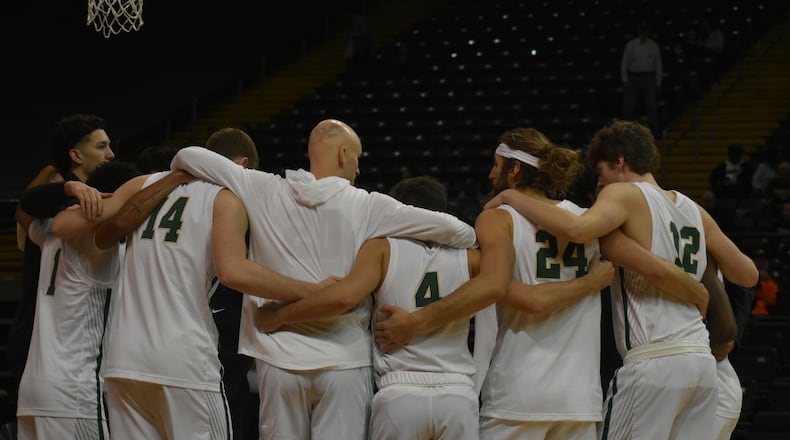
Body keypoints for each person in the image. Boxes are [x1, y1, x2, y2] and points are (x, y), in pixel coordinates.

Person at [374, 128, 711, 439]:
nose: (490, 174)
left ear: (514, 170)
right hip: (579, 401)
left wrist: (417, 322)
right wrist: (697, 290)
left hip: (518, 397)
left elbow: (515, 294)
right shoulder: (589, 220)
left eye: (496, 165)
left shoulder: (497, 218)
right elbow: (655, 265)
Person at [170, 119, 477, 440]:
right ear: (343, 154)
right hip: (344, 361)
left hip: (278, 358)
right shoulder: (369, 205)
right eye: (358, 157)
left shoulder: (262, 187)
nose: (358, 168)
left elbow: (188, 155)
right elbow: (459, 231)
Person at [253, 175, 614, 440]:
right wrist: (587, 283)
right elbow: (523, 295)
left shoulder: (382, 248)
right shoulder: (473, 258)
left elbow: (342, 298)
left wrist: (280, 315)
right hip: (456, 396)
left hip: (400, 392)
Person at [483, 120, 759, 439]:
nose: (600, 185)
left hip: (654, 359)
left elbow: (577, 229)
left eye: (601, 173)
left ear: (619, 162)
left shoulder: (624, 194)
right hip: (701, 362)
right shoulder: (693, 208)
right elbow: (747, 274)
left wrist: (511, 197)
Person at [50, 127, 306, 439]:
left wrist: (72, 189)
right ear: (242, 166)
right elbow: (233, 272)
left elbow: (77, 227)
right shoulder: (226, 198)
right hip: (185, 361)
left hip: (123, 361)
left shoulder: (144, 183)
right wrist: (309, 291)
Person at [14, 161, 141, 440]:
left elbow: (24, 209)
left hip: (32, 391)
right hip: (74, 391)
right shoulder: (101, 243)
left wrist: (65, 188)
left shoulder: (48, 233)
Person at [5, 113, 113, 420]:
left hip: (56, 346)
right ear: (76, 155)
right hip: (48, 344)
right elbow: (26, 205)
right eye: (101, 146)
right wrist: (69, 187)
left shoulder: (75, 201)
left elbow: (24, 208)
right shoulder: (60, 200)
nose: (110, 154)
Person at [621, 22, 663, 136]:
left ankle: (654, 131)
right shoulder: (630, 45)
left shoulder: (653, 46)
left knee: (651, 106)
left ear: (648, 32)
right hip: (633, 78)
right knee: (629, 107)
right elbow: (624, 63)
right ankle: (629, 132)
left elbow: (658, 65)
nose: (643, 33)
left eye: (645, 31)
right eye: (641, 31)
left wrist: (658, 82)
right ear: (638, 32)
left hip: (649, 77)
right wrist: (625, 79)